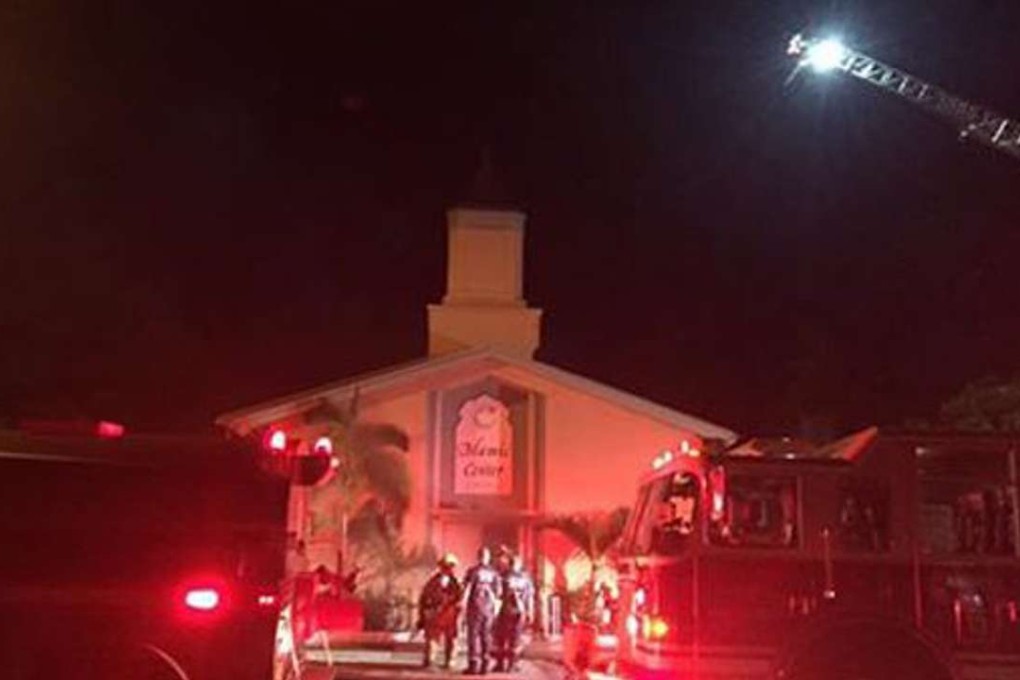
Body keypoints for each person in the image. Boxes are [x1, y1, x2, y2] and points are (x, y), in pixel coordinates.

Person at [418, 553, 463, 669]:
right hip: (436, 613)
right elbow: (424, 597)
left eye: (451, 566)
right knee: (432, 638)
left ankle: (450, 660)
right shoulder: (433, 581)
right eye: (447, 566)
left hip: (450, 614)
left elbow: (460, 597)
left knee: (452, 638)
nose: (449, 568)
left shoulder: (456, 582)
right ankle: (429, 660)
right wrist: (425, 613)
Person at [462, 546, 501, 675]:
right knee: (486, 636)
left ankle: (473, 666)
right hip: (488, 609)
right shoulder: (494, 573)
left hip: (475, 608)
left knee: (473, 637)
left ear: (478, 557)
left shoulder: (473, 571)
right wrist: (495, 610)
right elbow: (498, 593)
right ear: (488, 558)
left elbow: (467, 589)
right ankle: (485, 665)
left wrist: (462, 605)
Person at [493, 553, 534, 672]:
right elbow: (529, 597)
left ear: (510, 564)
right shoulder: (526, 579)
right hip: (519, 612)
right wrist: (530, 611)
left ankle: (501, 664)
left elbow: (498, 594)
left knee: (501, 638)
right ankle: (511, 664)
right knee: (514, 639)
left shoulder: (504, 576)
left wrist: (495, 612)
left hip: (506, 611)